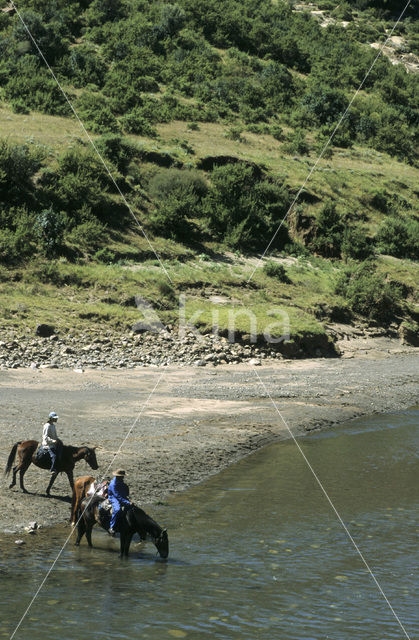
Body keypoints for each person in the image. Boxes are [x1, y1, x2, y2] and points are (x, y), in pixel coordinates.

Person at [107, 469, 132, 535]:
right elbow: (117, 496)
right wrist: (127, 502)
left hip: (120, 495)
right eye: (122, 476)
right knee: (117, 509)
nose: (123, 477)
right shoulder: (113, 484)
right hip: (113, 497)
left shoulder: (121, 482)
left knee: (130, 507)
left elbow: (123, 492)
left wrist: (128, 499)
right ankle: (111, 527)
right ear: (118, 476)